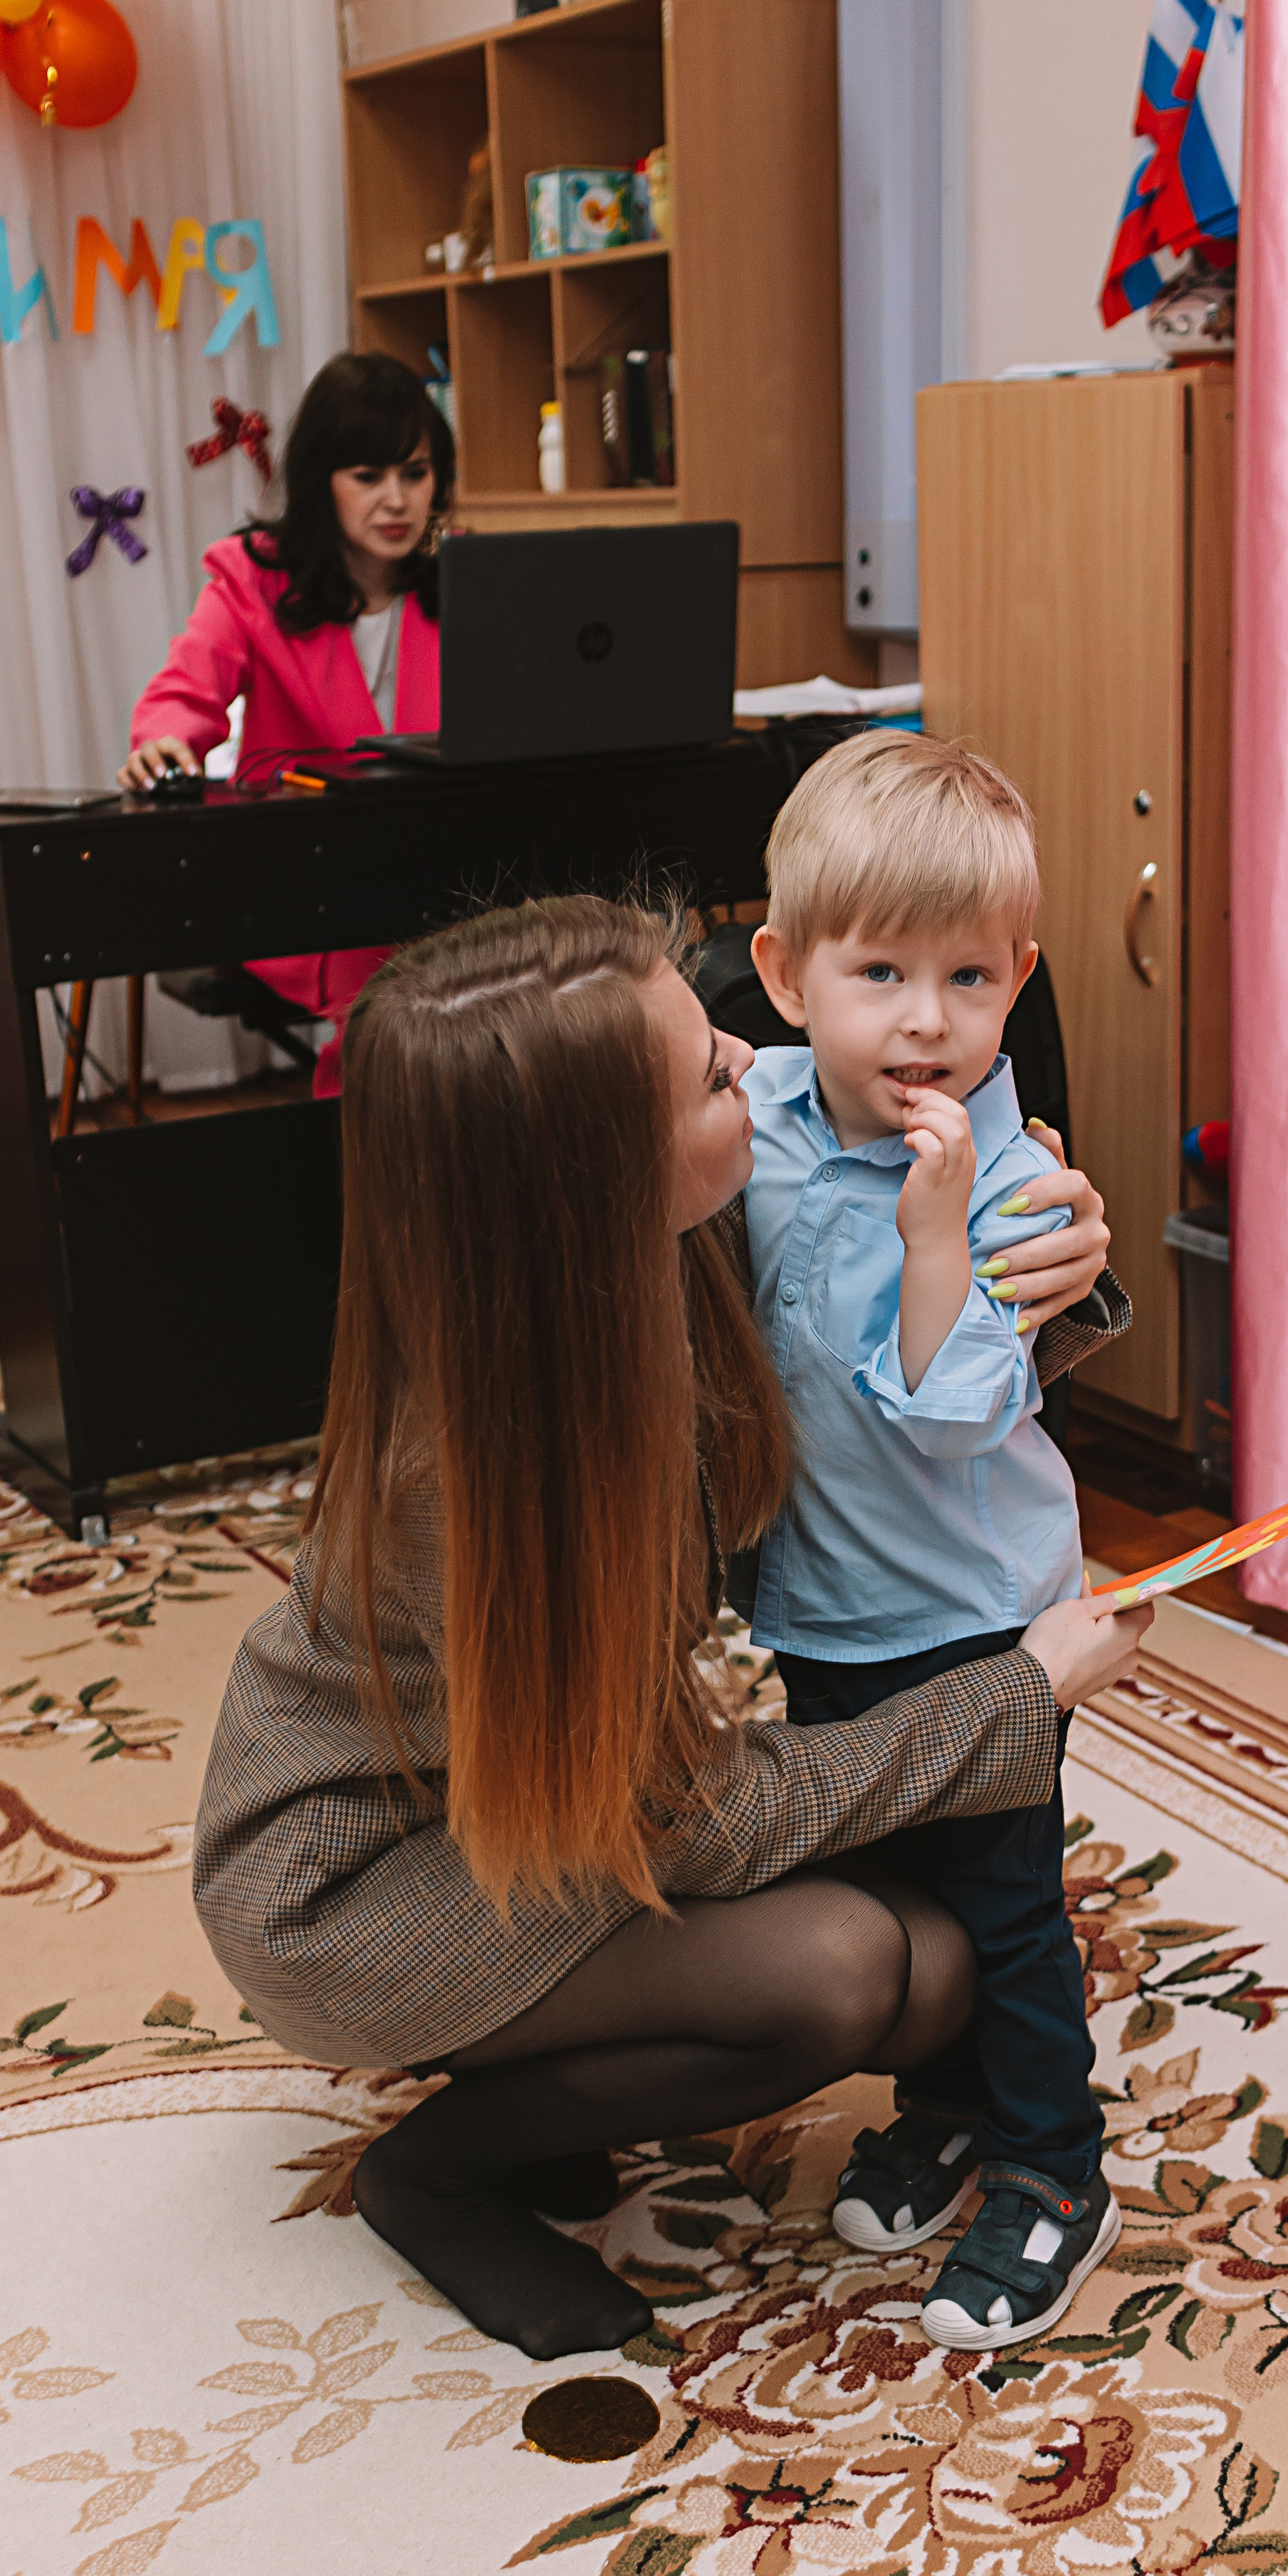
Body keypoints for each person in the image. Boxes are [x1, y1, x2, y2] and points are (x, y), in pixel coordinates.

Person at [192, 894, 1152, 2362]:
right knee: (865, 1974)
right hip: (353, 1888)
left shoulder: (652, 1252)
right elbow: (687, 1818)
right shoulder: (452, 1481)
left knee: (941, 1948)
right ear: (598, 1174)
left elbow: (853, 1369)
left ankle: (533, 2082)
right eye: (709, 1072)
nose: (750, 1056)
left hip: (507, 1810)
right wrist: (1007, 1700)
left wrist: (1038, 1277)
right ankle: (437, 2172)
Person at [740, 731, 1129, 2352]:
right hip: (820, 1600)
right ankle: (949, 2101)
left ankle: (1053, 2155)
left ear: (1015, 978)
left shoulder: (1007, 1179)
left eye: (966, 976)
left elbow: (954, 1411)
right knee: (892, 1887)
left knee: (1003, 1897)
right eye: (877, 968)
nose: (922, 1016)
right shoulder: (746, 1111)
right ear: (782, 975)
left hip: (974, 1612)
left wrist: (929, 1228)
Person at [120, 351, 451, 1093]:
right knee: (406, 990)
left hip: (443, 867)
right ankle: (373, 1179)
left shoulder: (468, 577)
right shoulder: (252, 575)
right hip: (310, 880)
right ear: (320, 481)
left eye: (415, 474)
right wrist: (166, 743)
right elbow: (185, 690)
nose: (396, 500)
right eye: (368, 477)